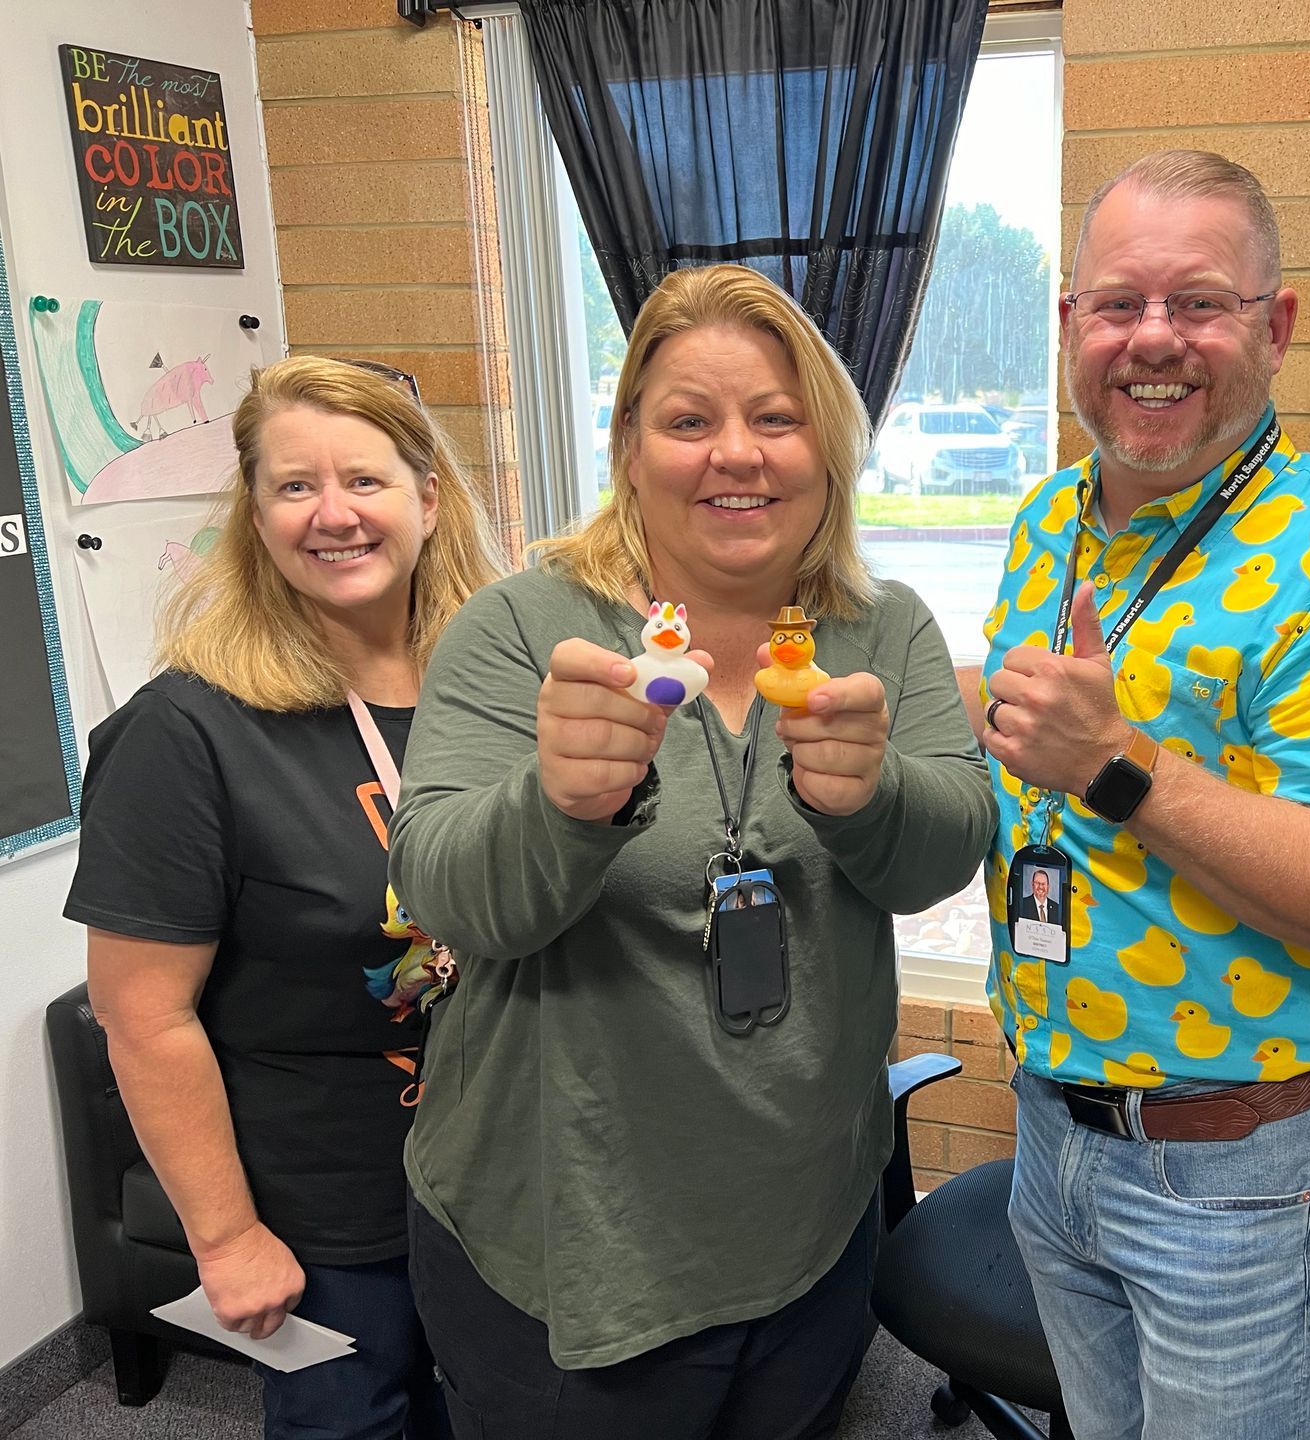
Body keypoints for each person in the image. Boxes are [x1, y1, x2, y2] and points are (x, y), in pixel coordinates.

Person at [388, 263, 994, 1439]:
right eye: (688, 420)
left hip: (807, 1219)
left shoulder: (885, 627)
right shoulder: (522, 628)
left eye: (777, 418)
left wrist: (871, 800)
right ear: (627, 447)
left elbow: (944, 855)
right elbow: (449, 889)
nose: (738, 453)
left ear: (827, 449)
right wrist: (556, 805)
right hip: (570, 1243)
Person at [968, 149, 1310, 1439]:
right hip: (1051, 1127)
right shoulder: (1046, 523)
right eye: (1118, 303)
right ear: (1071, 323)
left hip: (1230, 1170)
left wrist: (1119, 768)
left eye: (1200, 302)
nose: (1153, 340)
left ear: (1274, 326)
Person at [65, 356, 505, 1439]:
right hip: (332, 1216)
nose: (333, 514)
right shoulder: (187, 733)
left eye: (364, 480)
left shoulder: (499, 690)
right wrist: (223, 1239)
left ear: (429, 498)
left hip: (507, 1179)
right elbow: (141, 1014)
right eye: (293, 487)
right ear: (254, 515)